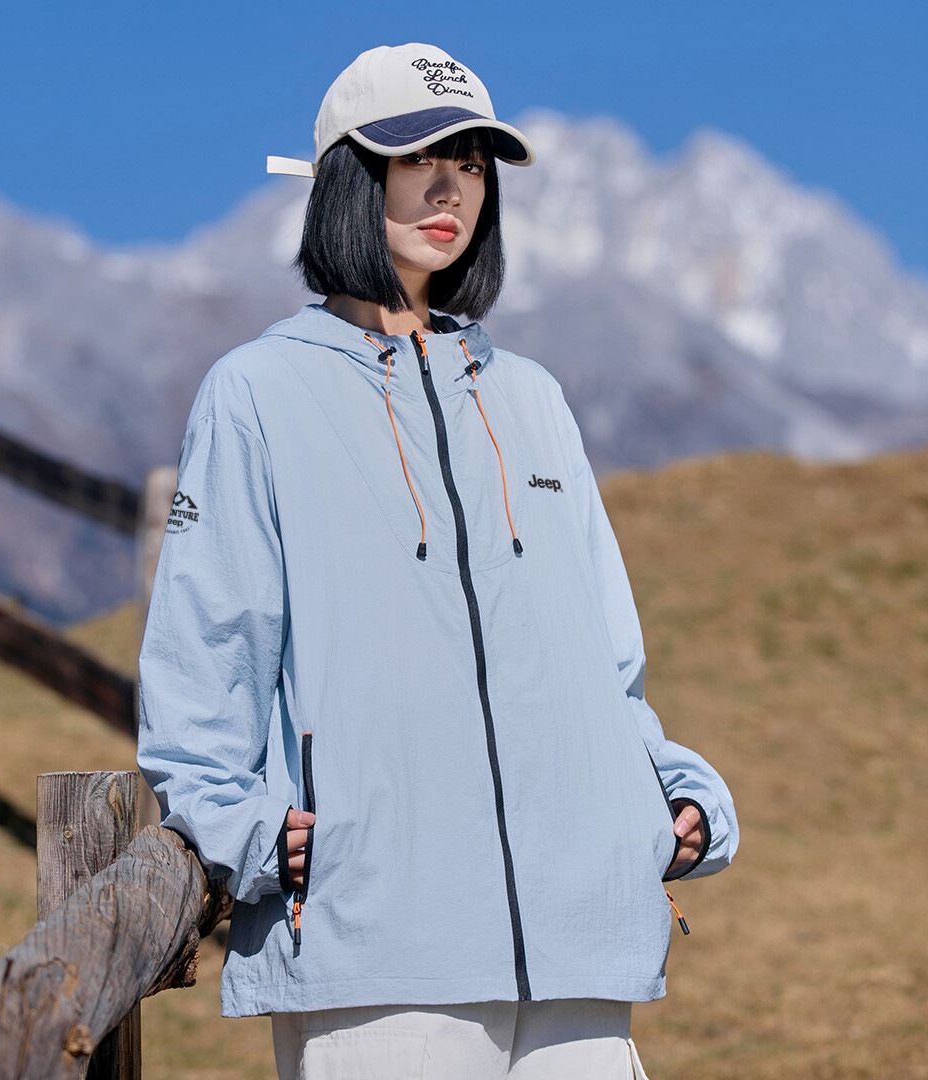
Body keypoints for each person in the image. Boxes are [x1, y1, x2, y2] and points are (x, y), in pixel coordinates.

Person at [137, 42, 739, 1080]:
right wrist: (243, 828)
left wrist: (670, 790)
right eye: (415, 156)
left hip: (581, 948)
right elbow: (206, 654)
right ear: (345, 178)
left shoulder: (532, 399)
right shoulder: (256, 394)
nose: (450, 186)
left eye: (470, 161)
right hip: (377, 955)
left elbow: (607, 668)